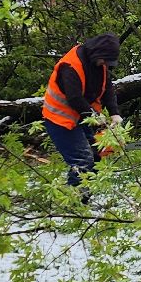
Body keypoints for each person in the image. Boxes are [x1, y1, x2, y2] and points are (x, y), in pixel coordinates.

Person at [41, 33, 122, 186]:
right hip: (59, 119)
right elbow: (74, 98)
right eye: (104, 61)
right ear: (98, 53)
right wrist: (94, 116)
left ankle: (86, 197)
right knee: (83, 160)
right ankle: (75, 203)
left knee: (98, 153)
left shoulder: (99, 64)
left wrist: (114, 113)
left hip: (81, 115)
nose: (105, 64)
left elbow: (108, 87)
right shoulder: (71, 66)